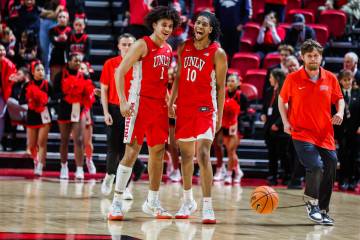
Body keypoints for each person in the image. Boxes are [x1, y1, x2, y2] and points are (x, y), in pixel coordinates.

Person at [108, 6, 180, 220]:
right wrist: (122, 101)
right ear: (154, 24)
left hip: (158, 106)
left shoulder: (168, 49)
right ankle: (117, 202)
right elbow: (119, 72)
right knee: (131, 153)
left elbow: (161, 82)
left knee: (158, 152)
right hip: (138, 103)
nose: (167, 28)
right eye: (163, 25)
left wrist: (169, 103)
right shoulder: (141, 44)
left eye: (170, 25)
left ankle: (152, 202)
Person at [168, 11, 227, 223]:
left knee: (202, 154)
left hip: (206, 109)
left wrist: (219, 116)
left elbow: (220, 88)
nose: (199, 26)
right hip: (184, 108)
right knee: (185, 156)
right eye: (197, 23)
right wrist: (171, 101)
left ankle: (208, 206)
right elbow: (178, 77)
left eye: (204, 24)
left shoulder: (218, 53)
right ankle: (187, 200)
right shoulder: (183, 47)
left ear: (210, 29)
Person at [278, 39, 345, 226]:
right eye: (310, 56)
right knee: (315, 166)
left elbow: (339, 99)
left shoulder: (330, 77)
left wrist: (339, 112)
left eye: (316, 55)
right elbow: (281, 101)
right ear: (303, 57)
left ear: (321, 57)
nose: (313, 58)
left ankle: (323, 210)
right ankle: (311, 203)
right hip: (301, 132)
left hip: (325, 134)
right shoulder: (292, 78)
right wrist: (285, 122)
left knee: (331, 164)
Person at [100, 33, 144, 199]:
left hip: (132, 110)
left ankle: (124, 187)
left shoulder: (139, 64)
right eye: (124, 44)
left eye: (130, 44)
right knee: (113, 148)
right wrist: (105, 112)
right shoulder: (110, 64)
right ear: (118, 46)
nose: (127, 47)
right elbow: (104, 90)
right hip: (113, 108)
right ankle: (109, 175)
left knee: (127, 150)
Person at [53, 53, 93, 179]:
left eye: (80, 61)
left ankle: (79, 169)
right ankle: (64, 167)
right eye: (75, 60)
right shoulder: (60, 75)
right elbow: (54, 94)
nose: (78, 63)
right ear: (68, 61)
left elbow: (89, 94)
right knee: (64, 140)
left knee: (79, 140)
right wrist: (67, 94)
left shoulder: (85, 76)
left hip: (78, 109)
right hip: (64, 109)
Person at [19, 61, 52, 176]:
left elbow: (56, 98)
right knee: (32, 145)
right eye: (38, 70)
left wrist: (47, 101)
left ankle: (40, 165)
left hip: (45, 115)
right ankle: (36, 160)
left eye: (42, 70)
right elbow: (21, 101)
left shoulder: (48, 85)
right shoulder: (27, 86)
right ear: (32, 72)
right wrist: (30, 100)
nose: (41, 72)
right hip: (32, 116)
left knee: (41, 143)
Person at [261, 68, 290, 186]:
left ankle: (286, 175)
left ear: (277, 78)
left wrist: (278, 124)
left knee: (284, 154)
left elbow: (288, 110)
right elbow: (265, 106)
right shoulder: (269, 91)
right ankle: (272, 175)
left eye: (271, 77)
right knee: (271, 154)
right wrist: (263, 114)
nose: (269, 79)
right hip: (269, 127)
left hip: (281, 128)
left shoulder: (285, 91)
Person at [335, 69, 360, 191]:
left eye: (349, 79)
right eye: (344, 80)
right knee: (343, 155)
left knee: (354, 155)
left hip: (355, 130)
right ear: (340, 81)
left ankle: (353, 180)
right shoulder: (337, 94)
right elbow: (332, 112)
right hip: (341, 130)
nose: (347, 82)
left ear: (352, 80)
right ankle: (342, 180)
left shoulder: (358, 92)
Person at [221, 73, 245, 185]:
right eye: (228, 80)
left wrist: (235, 117)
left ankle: (229, 174)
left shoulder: (242, 96)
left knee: (231, 151)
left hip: (237, 126)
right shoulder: (223, 94)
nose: (230, 83)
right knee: (229, 151)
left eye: (232, 81)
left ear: (238, 83)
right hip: (225, 125)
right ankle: (238, 170)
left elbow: (246, 113)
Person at [77, 62, 96, 174]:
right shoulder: (72, 80)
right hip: (75, 112)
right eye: (79, 68)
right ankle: (79, 166)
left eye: (83, 68)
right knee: (78, 142)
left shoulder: (90, 83)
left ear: (88, 71)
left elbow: (92, 99)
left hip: (87, 112)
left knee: (87, 142)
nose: (80, 70)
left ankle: (89, 159)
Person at [0, 44, 17, 151]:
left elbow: (10, 82)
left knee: (1, 117)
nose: (1, 52)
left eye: (2, 50)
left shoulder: (10, 65)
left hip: (4, 94)